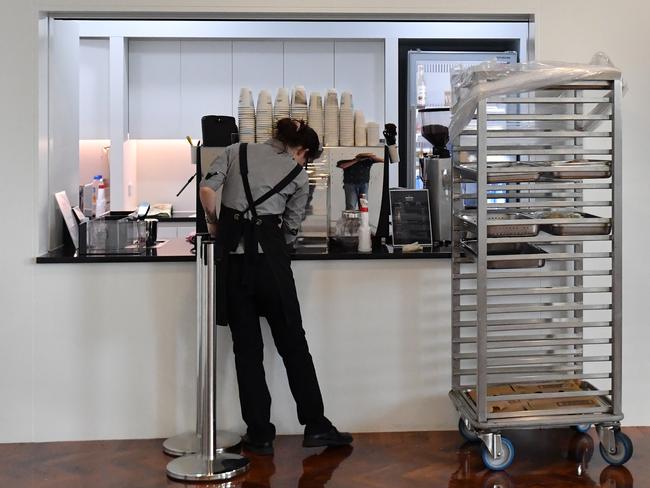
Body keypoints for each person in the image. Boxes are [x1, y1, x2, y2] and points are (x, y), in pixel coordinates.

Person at [199, 118, 353, 456]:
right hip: (271, 266)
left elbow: (208, 191)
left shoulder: (233, 150)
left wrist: (215, 224)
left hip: (234, 265)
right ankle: (316, 426)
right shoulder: (297, 175)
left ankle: (260, 434)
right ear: (302, 150)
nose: (302, 164)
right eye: (306, 158)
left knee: (247, 353)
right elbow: (292, 228)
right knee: (294, 346)